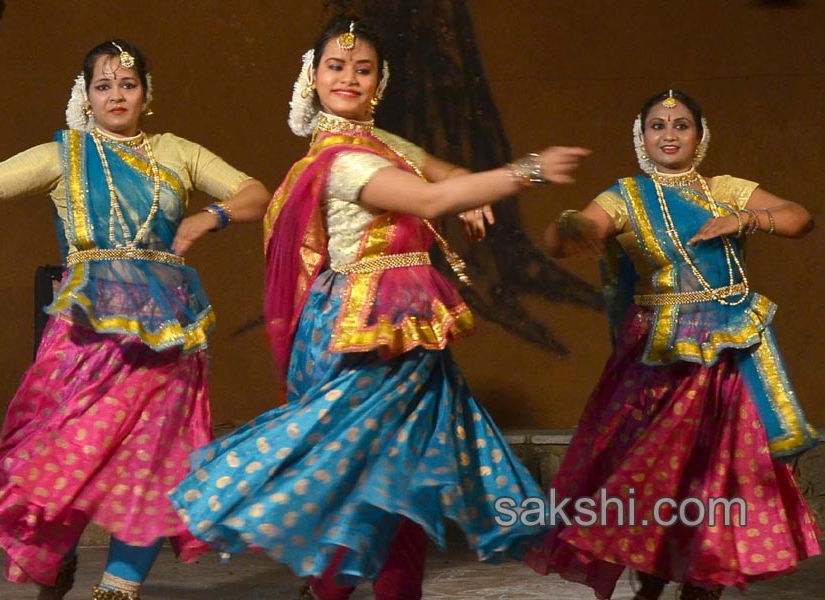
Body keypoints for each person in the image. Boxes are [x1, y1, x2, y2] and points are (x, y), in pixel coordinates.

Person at [167, 17, 589, 600]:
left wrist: (473, 191)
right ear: (311, 78)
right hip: (365, 334)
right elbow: (431, 196)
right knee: (363, 475)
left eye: (363, 69)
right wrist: (525, 171)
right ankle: (326, 586)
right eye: (336, 67)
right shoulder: (345, 161)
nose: (349, 77)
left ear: (379, 82)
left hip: (409, 331)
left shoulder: (383, 147)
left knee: (405, 481)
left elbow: (444, 175)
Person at [0, 39, 270, 600]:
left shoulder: (175, 151)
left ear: (147, 94)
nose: (116, 95)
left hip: (167, 341)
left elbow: (256, 193)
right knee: (63, 457)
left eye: (127, 84)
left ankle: (119, 587)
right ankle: (52, 556)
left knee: (151, 463)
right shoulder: (66, 155)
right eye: (103, 85)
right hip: (86, 341)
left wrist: (212, 217)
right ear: (85, 96)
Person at [527, 89, 820, 600]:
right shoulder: (625, 196)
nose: (669, 134)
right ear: (641, 139)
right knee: (652, 470)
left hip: (729, 347)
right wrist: (569, 226)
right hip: (660, 354)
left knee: (719, 468)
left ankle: (703, 581)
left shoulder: (725, 189)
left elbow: (799, 219)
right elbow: (564, 238)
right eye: (657, 126)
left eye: (681, 125)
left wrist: (747, 218)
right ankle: (653, 577)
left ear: (700, 136)